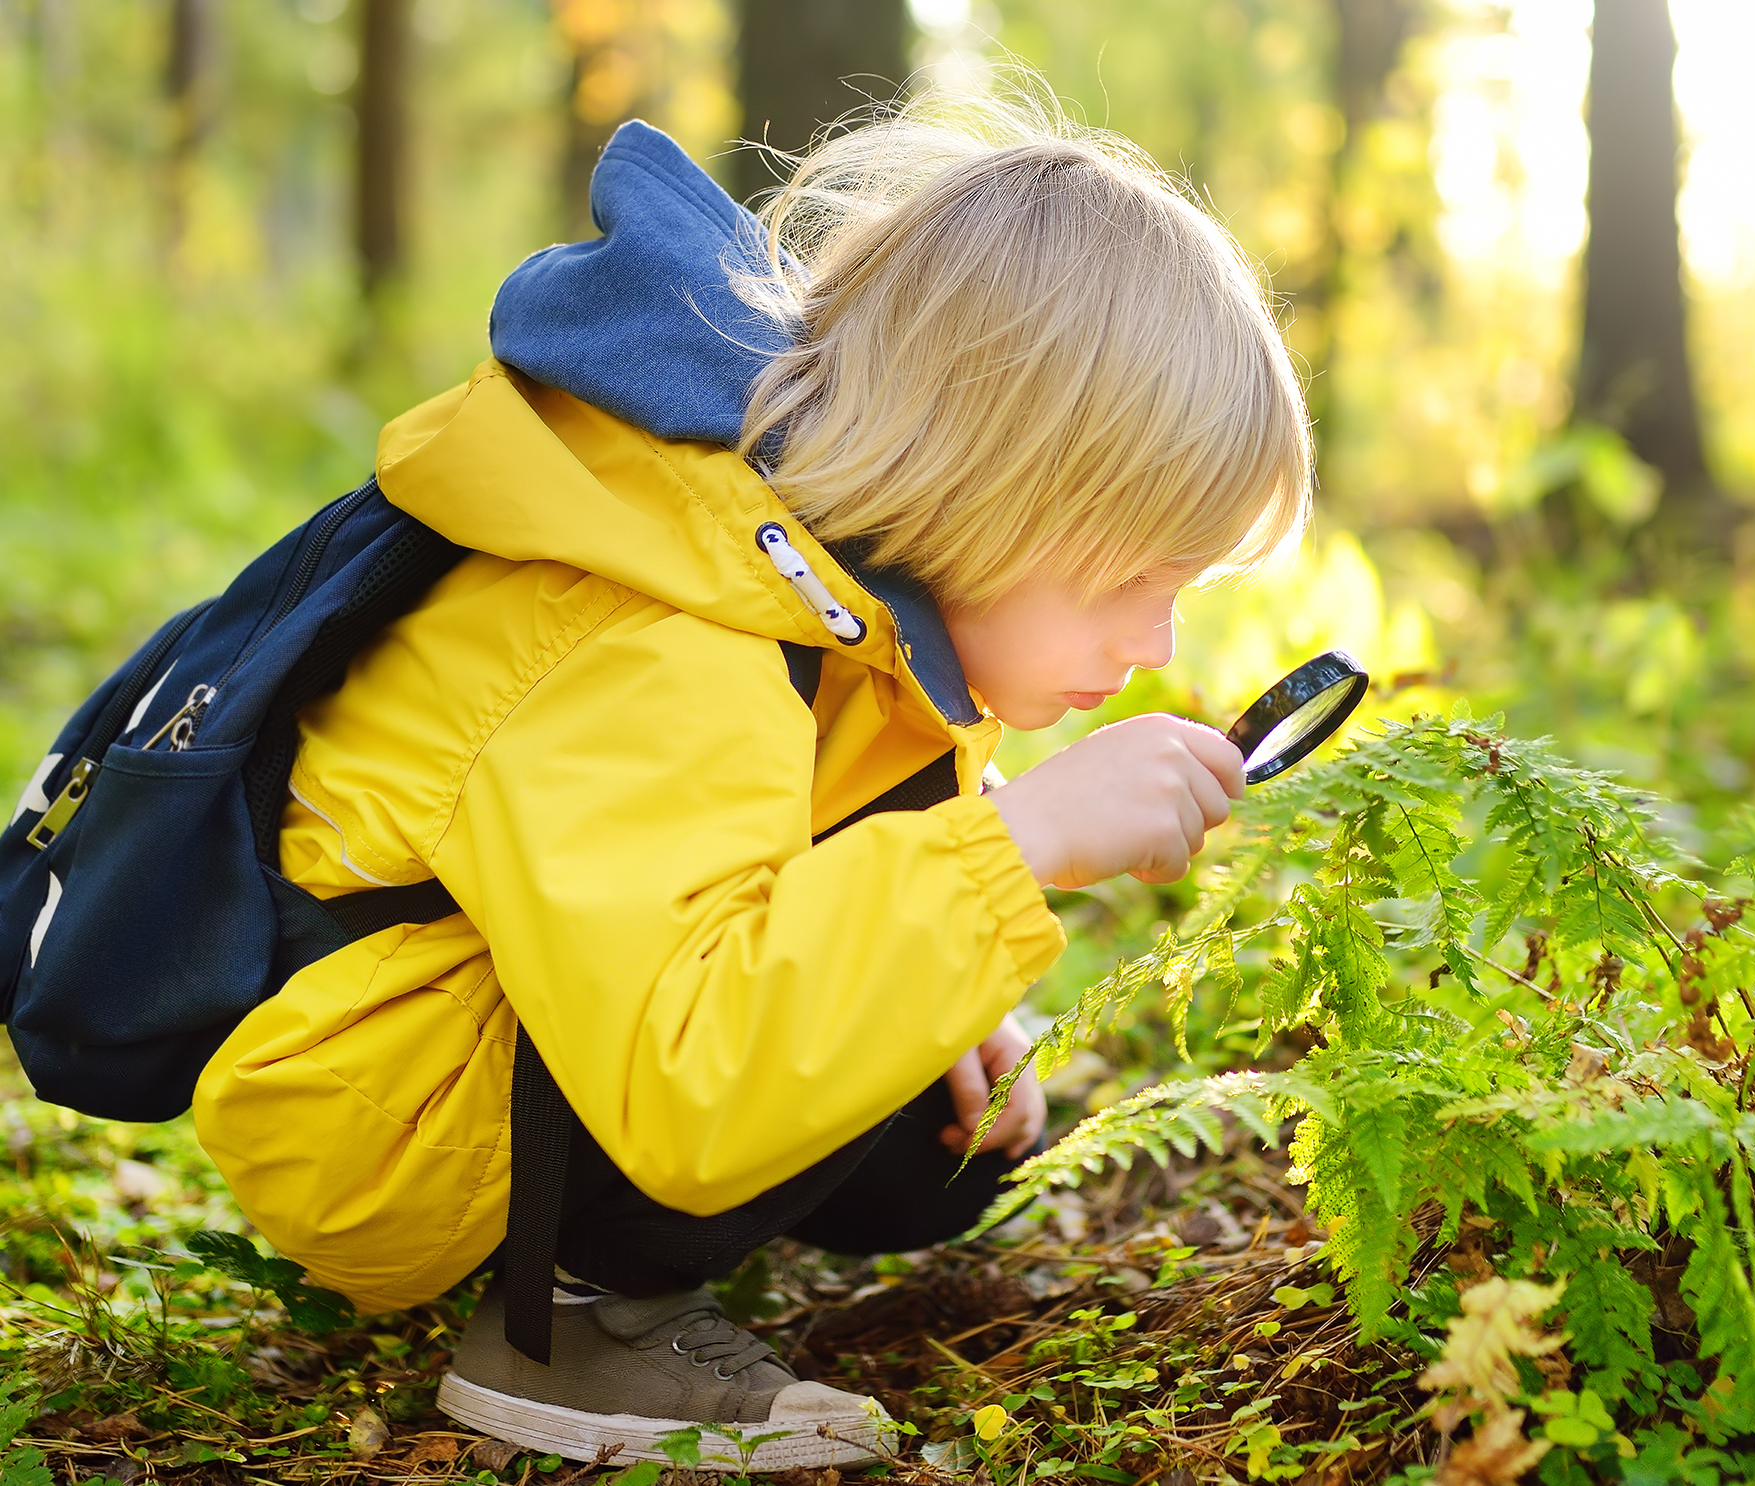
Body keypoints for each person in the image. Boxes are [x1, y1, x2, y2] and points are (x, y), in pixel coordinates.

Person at [188, 80, 1311, 1474]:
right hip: (383, 1116)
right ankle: (566, 1324)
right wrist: (1008, 849)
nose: (1152, 644)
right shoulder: (667, 628)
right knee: (839, 1032)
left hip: (557, 1033)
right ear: (987, 476)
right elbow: (688, 1057)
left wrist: (944, 984)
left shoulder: (840, 610)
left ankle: (611, 1260)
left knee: (935, 1136)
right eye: (1131, 575)